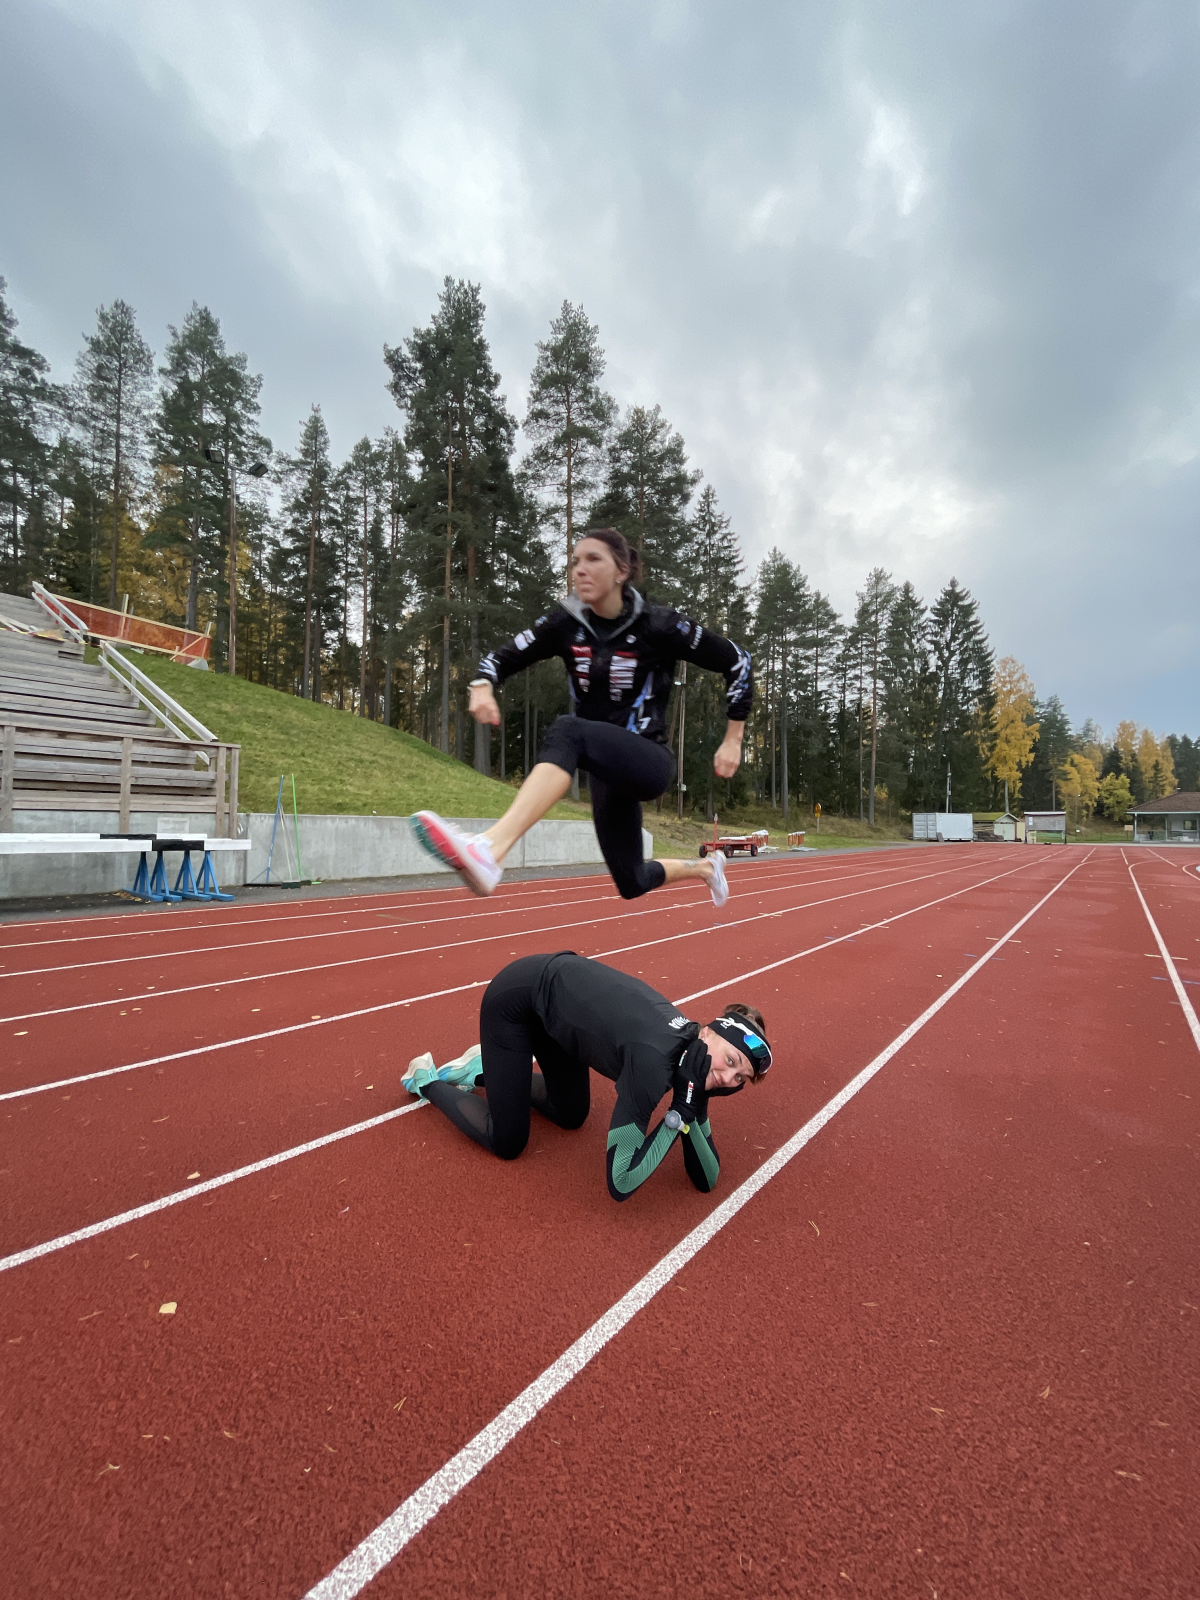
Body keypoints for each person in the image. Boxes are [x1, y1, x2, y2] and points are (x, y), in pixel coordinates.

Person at [411, 527, 753, 906]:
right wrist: (481, 685)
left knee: (567, 729)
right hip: (604, 770)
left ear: (621, 571)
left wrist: (733, 738)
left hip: (647, 761)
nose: (579, 570)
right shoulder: (565, 623)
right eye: (575, 561)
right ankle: (705, 868)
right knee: (631, 880)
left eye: (593, 559)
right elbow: (502, 657)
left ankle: (491, 849)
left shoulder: (659, 624)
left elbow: (737, 661)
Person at [401, 951, 772, 1203]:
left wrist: (687, 1110)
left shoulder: (699, 1066)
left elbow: (707, 1181)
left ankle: (487, 1072)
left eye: (742, 1076)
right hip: (517, 1001)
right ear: (706, 1032)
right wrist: (678, 1116)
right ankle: (427, 1080)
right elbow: (620, 1181)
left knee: (571, 1114)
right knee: (508, 1141)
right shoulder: (654, 1062)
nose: (729, 1077)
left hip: (559, 1013)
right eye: (731, 1060)